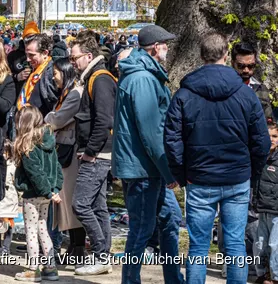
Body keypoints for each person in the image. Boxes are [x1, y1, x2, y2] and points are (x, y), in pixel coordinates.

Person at [165, 32, 270, 284]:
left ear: (202, 56)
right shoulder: (244, 94)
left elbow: (171, 141)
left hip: (202, 178)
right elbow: (262, 142)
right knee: (234, 244)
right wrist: (251, 172)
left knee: (199, 246)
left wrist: (182, 174)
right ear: (226, 55)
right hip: (233, 177)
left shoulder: (184, 95)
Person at [112, 25, 184, 284]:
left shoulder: (145, 74)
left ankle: (174, 279)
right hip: (143, 169)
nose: (167, 48)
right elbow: (151, 131)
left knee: (171, 219)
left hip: (148, 168)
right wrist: (169, 172)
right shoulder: (142, 78)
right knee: (141, 230)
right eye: (165, 44)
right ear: (155, 47)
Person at [69, 32, 116, 276]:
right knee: (98, 207)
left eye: (75, 57)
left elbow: (104, 121)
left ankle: (100, 254)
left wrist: (90, 152)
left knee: (80, 204)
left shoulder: (100, 79)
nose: (72, 62)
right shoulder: (92, 78)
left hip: (98, 155)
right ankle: (103, 255)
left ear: (89, 56)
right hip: (98, 153)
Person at [13, 105, 62, 282]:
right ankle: (51, 268)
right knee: (43, 228)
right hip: (47, 194)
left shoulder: (28, 145)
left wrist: (48, 191)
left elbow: (35, 173)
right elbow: (57, 167)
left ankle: (32, 269)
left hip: (34, 194)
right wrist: (54, 189)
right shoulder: (48, 140)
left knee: (31, 231)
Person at [43, 57, 86, 259]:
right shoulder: (68, 94)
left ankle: (77, 247)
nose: (53, 78)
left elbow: (58, 119)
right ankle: (74, 246)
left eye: (56, 73)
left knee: (69, 200)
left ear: (66, 73)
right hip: (65, 150)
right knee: (66, 201)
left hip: (70, 152)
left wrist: (48, 117)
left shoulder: (75, 94)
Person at [253, 123, 278, 284]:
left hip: (277, 211)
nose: (271, 139)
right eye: (268, 136)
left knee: (274, 245)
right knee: (259, 245)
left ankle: (275, 277)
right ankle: (262, 274)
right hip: (262, 209)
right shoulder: (259, 157)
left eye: (275, 136)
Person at [17, 28, 59, 117]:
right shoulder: (35, 69)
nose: (28, 59)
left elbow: (55, 105)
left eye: (31, 55)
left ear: (45, 53)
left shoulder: (52, 73)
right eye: (26, 54)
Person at [0, 140, 19, 258]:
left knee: (9, 224)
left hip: (9, 199)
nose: (3, 154)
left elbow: (16, 182)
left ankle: (6, 247)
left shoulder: (13, 166)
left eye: (5, 152)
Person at [232, 41, 273, 123]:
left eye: (251, 66)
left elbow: (269, 121)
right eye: (241, 66)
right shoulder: (223, 88)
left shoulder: (261, 89)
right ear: (233, 64)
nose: (246, 70)